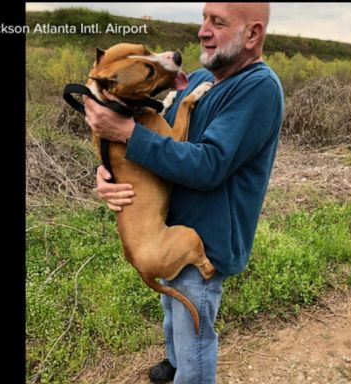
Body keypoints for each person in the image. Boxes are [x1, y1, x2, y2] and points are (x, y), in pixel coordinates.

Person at [84, 3, 284, 383]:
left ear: (253, 35)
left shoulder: (258, 88)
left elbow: (208, 165)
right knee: (172, 313)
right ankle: (174, 363)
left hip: (205, 239)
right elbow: (161, 141)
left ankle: (187, 372)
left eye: (218, 23)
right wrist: (109, 171)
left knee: (194, 333)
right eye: (203, 19)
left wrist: (127, 134)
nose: (203, 31)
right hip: (170, 226)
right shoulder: (195, 80)